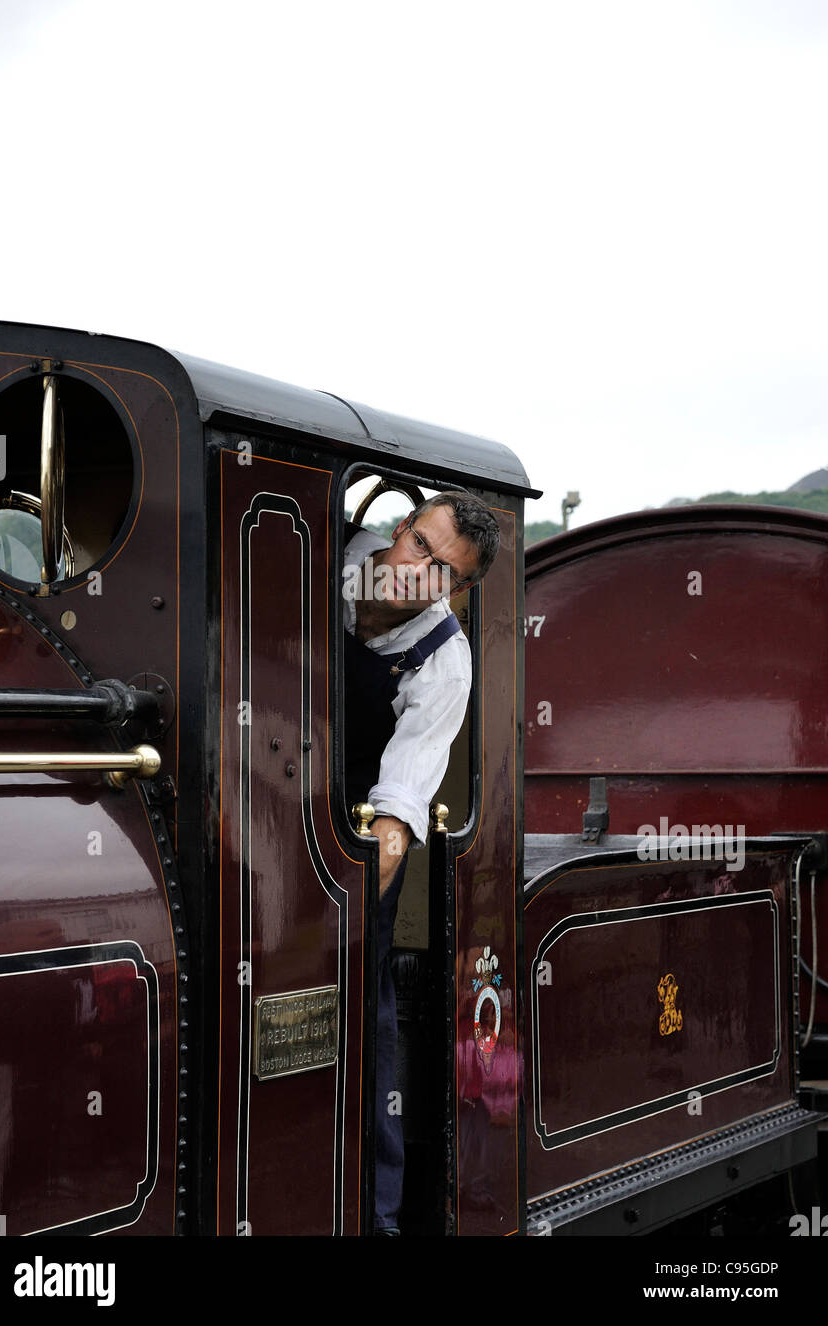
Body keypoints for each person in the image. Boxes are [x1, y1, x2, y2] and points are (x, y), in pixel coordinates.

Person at [342, 490, 500, 1234]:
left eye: (441, 571)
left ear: (458, 591)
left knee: (371, 1031)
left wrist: (334, 906)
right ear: (399, 531)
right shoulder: (329, 558)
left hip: (341, 838)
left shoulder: (444, 664)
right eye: (419, 548)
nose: (417, 572)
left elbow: (399, 807)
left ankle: (377, 1220)